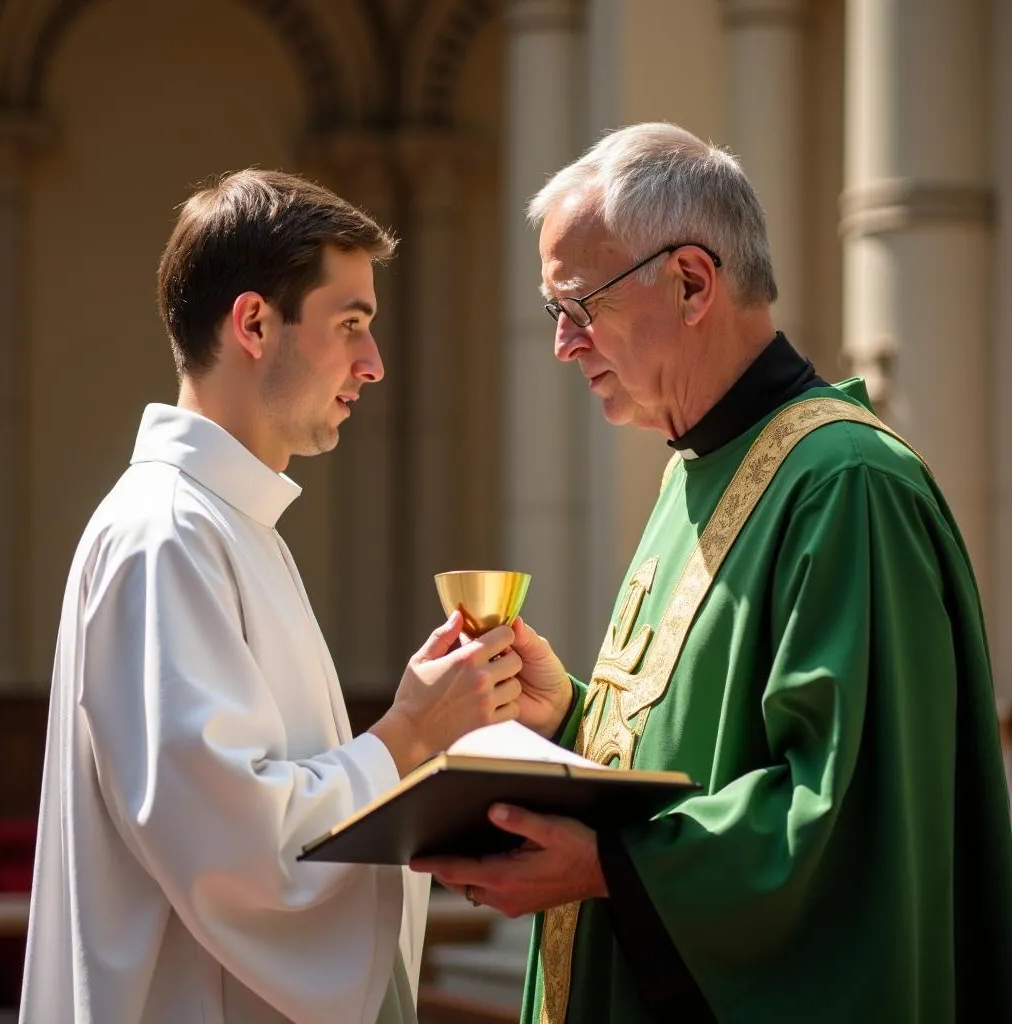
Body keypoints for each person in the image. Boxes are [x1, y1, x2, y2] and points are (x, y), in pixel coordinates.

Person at [412, 123, 1012, 1022]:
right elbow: (701, 752)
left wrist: (608, 864)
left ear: (692, 282)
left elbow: (848, 822)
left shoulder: (847, 487)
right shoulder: (694, 471)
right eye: (554, 314)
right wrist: (566, 715)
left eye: (579, 307)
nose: (563, 345)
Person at [20, 169, 524, 1024]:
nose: (374, 364)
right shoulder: (167, 534)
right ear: (254, 322)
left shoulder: (233, 528)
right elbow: (231, 852)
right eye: (351, 326)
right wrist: (407, 735)